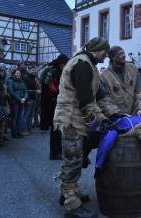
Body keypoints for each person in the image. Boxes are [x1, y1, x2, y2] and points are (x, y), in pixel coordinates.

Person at [53, 37, 119, 218]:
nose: (107, 55)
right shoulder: (81, 64)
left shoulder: (90, 66)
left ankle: (67, 192)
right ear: (96, 50)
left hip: (77, 118)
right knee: (73, 160)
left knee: (76, 158)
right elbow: (86, 99)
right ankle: (72, 206)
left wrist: (114, 113)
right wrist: (101, 118)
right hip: (70, 118)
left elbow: (100, 96)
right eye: (105, 52)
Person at [99, 46, 141, 117]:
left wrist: (140, 108)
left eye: (123, 53)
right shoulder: (104, 76)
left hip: (136, 114)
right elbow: (105, 100)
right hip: (117, 117)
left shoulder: (132, 69)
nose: (124, 55)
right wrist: (118, 115)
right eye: (120, 54)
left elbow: (140, 91)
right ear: (113, 57)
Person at [39, 54, 69, 160]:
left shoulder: (53, 71)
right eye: (65, 63)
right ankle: (54, 153)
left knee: (58, 129)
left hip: (53, 103)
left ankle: (58, 151)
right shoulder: (54, 72)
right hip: (53, 104)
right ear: (61, 64)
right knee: (56, 129)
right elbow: (53, 90)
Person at [7, 69, 28, 139]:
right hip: (14, 101)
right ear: (13, 74)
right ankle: (14, 133)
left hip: (22, 101)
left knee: (20, 117)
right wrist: (20, 99)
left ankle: (19, 131)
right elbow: (11, 91)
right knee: (14, 117)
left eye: (19, 73)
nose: (18, 74)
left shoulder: (22, 81)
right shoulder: (10, 81)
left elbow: (26, 90)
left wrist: (25, 98)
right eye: (17, 73)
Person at [22, 66, 40, 135]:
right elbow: (25, 89)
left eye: (35, 70)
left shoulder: (33, 78)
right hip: (29, 98)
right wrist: (26, 99)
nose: (34, 71)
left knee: (31, 115)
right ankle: (24, 130)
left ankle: (29, 129)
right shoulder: (26, 78)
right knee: (26, 114)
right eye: (33, 70)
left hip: (34, 98)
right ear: (29, 71)